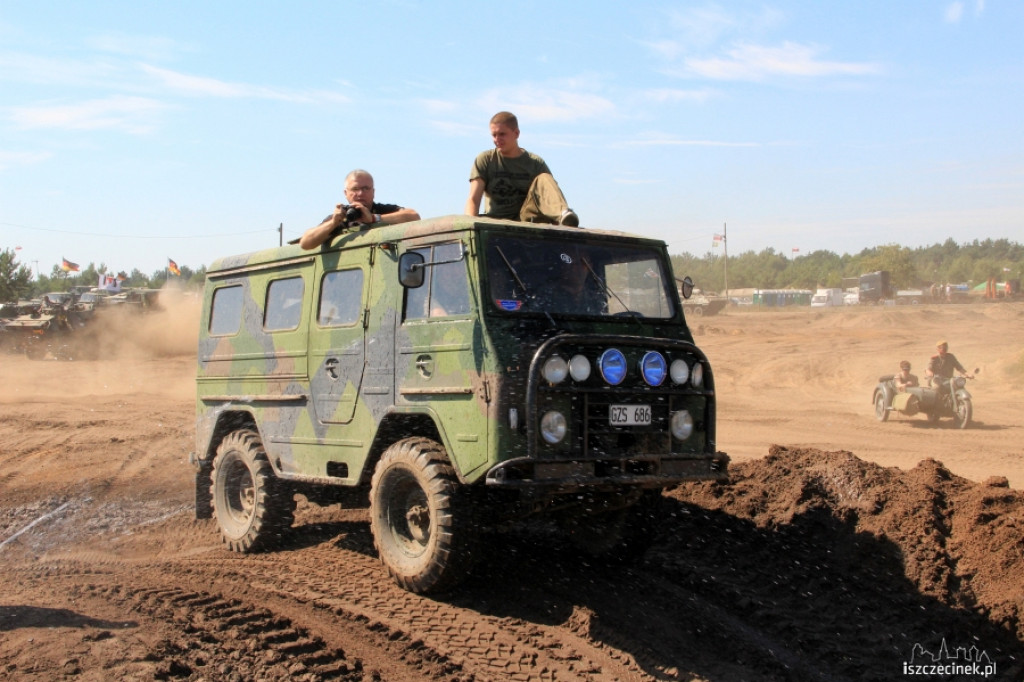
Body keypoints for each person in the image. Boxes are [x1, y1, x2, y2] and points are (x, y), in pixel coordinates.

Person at [464, 111, 579, 227]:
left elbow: (549, 196)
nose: (497, 139)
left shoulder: (535, 163)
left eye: (502, 134)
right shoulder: (486, 160)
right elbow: (473, 199)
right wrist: (470, 227)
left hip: (526, 220)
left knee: (545, 178)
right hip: (496, 222)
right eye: (494, 135)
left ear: (516, 133)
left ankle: (564, 215)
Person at [300, 169, 420, 250]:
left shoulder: (381, 210)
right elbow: (305, 243)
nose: (361, 193)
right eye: (355, 189)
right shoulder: (340, 218)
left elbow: (414, 216)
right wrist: (333, 223)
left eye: (366, 188)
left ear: (373, 192)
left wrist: (374, 218)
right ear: (346, 193)